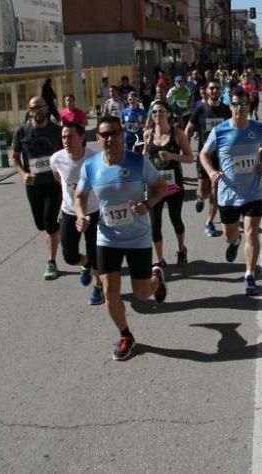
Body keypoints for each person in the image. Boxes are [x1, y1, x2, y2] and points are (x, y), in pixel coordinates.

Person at [75, 116, 168, 362]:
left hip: (137, 237)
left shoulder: (139, 162)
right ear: (98, 138)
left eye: (114, 133)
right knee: (110, 292)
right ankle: (126, 335)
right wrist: (81, 215)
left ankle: (156, 278)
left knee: (141, 294)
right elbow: (79, 196)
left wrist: (147, 204)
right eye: (104, 134)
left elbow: (162, 187)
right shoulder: (91, 166)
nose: (110, 139)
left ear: (122, 134)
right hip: (107, 237)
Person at [200, 87, 262, 296]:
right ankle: (234, 241)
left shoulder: (258, 129)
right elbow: (204, 154)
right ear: (230, 107)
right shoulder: (220, 131)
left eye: (242, 104)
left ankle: (249, 275)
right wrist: (212, 172)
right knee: (229, 235)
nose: (238, 108)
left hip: (253, 192)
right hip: (228, 194)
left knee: (252, 232)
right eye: (235, 104)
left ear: (248, 106)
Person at [50, 122, 104, 305]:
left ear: (82, 137)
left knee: (95, 252)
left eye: (70, 136)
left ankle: (98, 287)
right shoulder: (56, 159)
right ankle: (85, 264)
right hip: (69, 212)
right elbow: (59, 179)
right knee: (69, 255)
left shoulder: (95, 159)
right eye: (63, 137)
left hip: (93, 212)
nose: (66, 140)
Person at [12, 96, 63, 280]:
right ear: (29, 110)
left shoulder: (57, 131)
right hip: (33, 185)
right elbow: (15, 157)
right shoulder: (21, 131)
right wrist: (23, 175)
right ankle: (61, 228)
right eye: (33, 108)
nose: (37, 111)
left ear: (47, 108)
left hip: (53, 184)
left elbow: (68, 153)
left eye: (40, 107)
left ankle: (51, 262)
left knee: (49, 223)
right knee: (41, 224)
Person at [144, 103, 194, 267]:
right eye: (154, 111)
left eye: (161, 111)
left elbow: (189, 158)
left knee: (175, 219)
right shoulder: (148, 134)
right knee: (155, 224)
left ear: (168, 114)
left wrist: (172, 156)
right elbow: (146, 155)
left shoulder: (178, 134)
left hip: (173, 185)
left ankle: (181, 249)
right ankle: (159, 260)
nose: (157, 114)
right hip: (154, 185)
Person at [185, 79, 231, 237]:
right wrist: (186, 149)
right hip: (205, 156)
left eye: (218, 88)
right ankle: (200, 199)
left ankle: (209, 222)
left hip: (222, 158)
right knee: (202, 191)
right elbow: (189, 129)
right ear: (207, 90)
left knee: (215, 191)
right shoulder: (200, 110)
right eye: (212, 88)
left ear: (220, 91)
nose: (215, 91)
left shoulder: (227, 110)